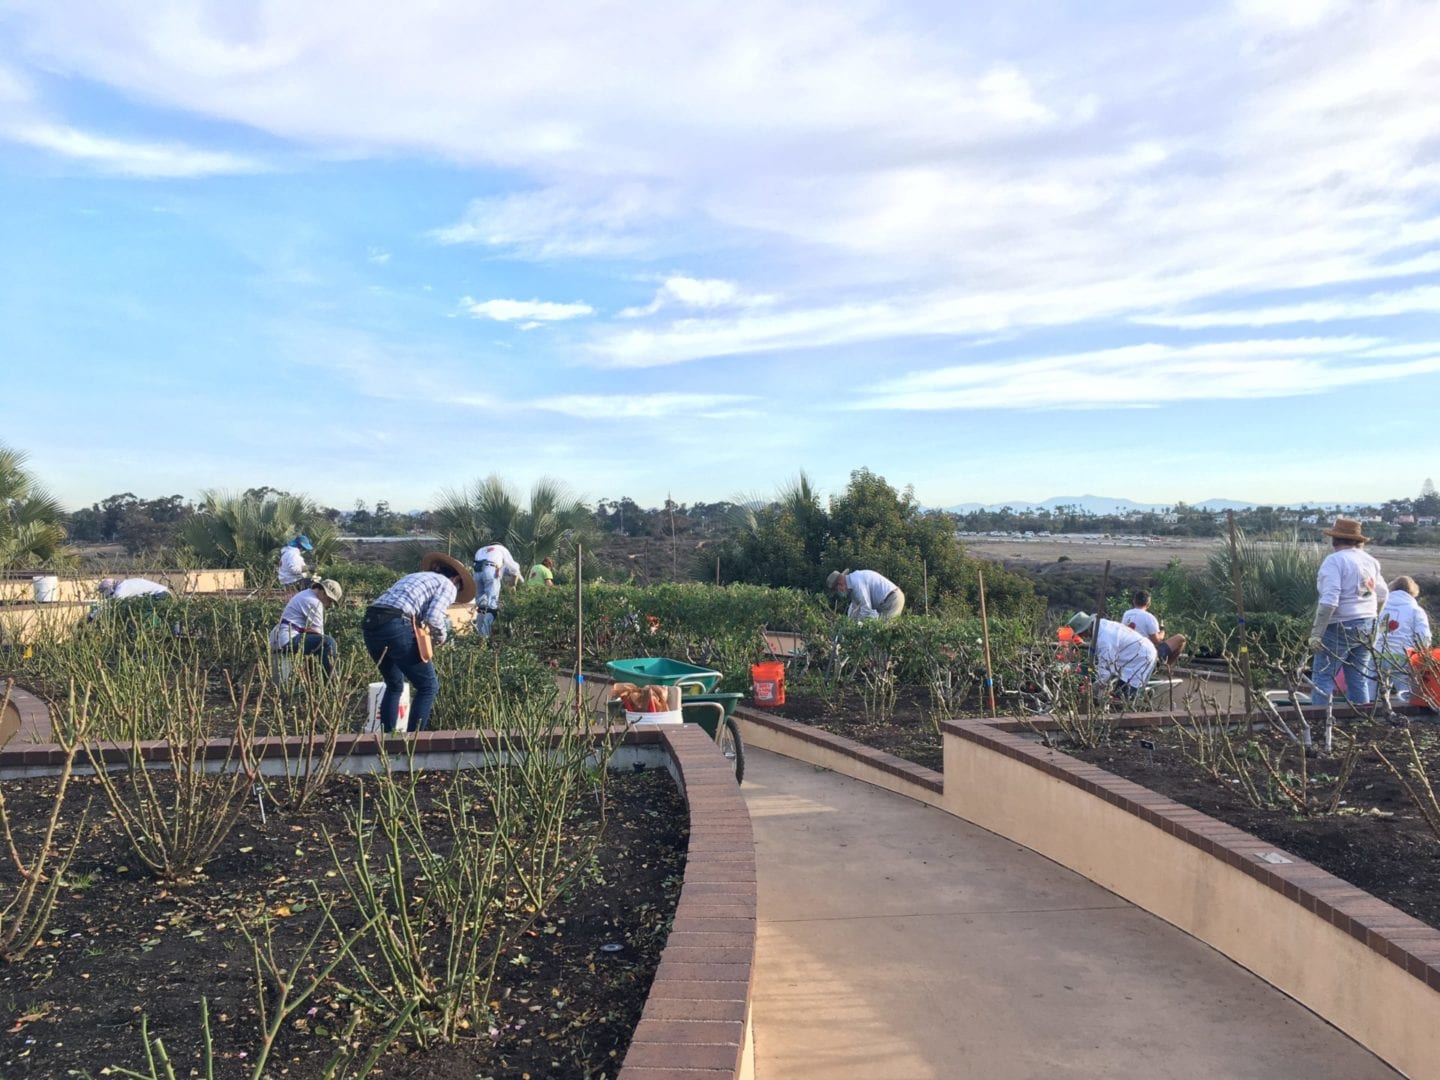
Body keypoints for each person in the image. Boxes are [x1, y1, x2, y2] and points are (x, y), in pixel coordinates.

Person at [362, 553, 476, 733]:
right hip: (396, 624)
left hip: (371, 623)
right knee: (428, 686)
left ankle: (387, 739)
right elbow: (434, 616)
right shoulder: (447, 584)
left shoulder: (414, 576)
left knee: (394, 684)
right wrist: (441, 637)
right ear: (455, 578)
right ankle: (414, 740)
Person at [1308, 517, 1387, 707]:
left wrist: (1316, 634)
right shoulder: (1370, 561)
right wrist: (1374, 620)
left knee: (1323, 676)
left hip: (1340, 624)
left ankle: (1319, 722)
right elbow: (1383, 594)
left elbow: (1330, 600)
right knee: (1358, 677)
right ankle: (1362, 721)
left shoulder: (1335, 561)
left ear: (1334, 539)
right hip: (1367, 623)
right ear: (1358, 541)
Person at [1067, 611, 1158, 699]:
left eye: (1081, 633)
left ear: (1086, 629)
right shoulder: (1101, 625)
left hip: (1140, 655)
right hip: (1135, 651)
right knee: (1119, 688)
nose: (1082, 637)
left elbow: (1107, 665)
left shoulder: (1104, 638)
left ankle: (1141, 698)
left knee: (1124, 695)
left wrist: (1097, 685)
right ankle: (1141, 694)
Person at [269, 578, 343, 678]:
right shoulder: (313, 602)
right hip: (289, 639)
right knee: (328, 643)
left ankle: (317, 679)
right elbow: (318, 633)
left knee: (322, 643)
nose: (329, 604)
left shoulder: (306, 594)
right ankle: (331, 683)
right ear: (322, 591)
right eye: (329, 600)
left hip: (285, 635)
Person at [1377, 575, 1431, 703]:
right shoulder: (1416, 610)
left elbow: (1374, 629)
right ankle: (1404, 718)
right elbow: (1424, 637)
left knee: (1373, 693)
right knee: (1405, 694)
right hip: (1403, 657)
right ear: (1413, 591)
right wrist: (1421, 655)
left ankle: (1372, 716)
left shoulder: (1381, 607)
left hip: (1377, 654)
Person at [1120, 589, 1187, 667]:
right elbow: (1156, 640)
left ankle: (1161, 664)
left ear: (1134, 601)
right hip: (1145, 654)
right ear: (1149, 604)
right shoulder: (1149, 617)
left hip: (1128, 651)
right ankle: (1164, 665)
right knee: (1181, 638)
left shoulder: (1126, 614)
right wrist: (1162, 631)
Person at [473, 542, 522, 638]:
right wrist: (513, 585)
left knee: (482, 605)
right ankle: (484, 636)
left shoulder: (481, 549)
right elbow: (514, 567)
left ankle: (479, 635)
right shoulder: (501, 548)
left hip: (477, 572)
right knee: (492, 606)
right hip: (490, 570)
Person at [825, 569, 905, 621]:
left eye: (836, 589)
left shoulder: (856, 584)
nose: (838, 592)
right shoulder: (852, 585)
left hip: (892, 599)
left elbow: (866, 609)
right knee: (880, 630)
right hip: (887, 600)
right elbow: (854, 608)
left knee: (884, 632)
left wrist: (857, 627)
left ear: (839, 584)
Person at [98, 577, 170, 601]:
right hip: (163, 592)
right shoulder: (125, 584)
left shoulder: (121, 590)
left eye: (103, 591)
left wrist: (91, 617)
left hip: (159, 594)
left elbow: (110, 605)